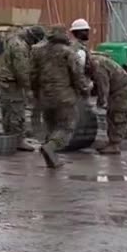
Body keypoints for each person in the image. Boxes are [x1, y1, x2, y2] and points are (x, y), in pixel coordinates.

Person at [30, 25, 89, 169]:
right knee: (66, 127)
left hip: (45, 96)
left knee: (51, 126)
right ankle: (50, 148)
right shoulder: (68, 52)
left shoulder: (37, 51)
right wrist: (84, 90)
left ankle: (52, 158)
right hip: (64, 96)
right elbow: (77, 76)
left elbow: (32, 75)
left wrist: (36, 93)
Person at [0, 25, 44, 152]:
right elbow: (22, 71)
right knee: (17, 111)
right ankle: (18, 140)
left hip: (6, 82)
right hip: (14, 84)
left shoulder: (13, 40)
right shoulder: (20, 47)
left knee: (8, 111)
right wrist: (28, 88)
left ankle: (9, 137)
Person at [90, 51, 127, 154]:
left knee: (118, 115)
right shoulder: (93, 61)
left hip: (123, 89)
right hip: (116, 89)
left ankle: (115, 145)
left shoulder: (98, 67)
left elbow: (103, 87)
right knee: (111, 115)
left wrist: (100, 103)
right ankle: (112, 142)